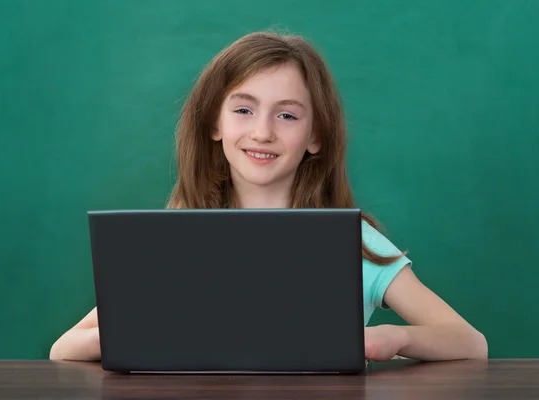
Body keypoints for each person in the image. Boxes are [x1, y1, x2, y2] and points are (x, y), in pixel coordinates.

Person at [49, 30, 487, 362]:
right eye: (243, 109)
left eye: (287, 115)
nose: (262, 132)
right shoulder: (175, 240)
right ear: (215, 125)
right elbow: (63, 349)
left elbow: (470, 342)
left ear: (316, 135)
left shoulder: (353, 241)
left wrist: (398, 338)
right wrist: (151, 335)